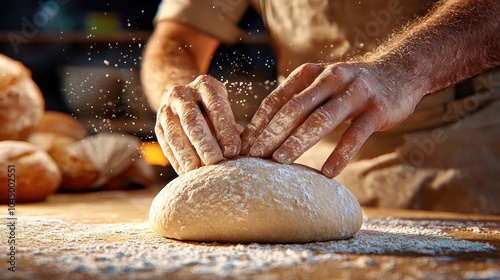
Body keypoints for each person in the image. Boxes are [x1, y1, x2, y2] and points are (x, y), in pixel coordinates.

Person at [141, 0, 500, 214]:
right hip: (305, 167)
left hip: (463, 154)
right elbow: (176, 41)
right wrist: (180, 95)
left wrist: (405, 71)